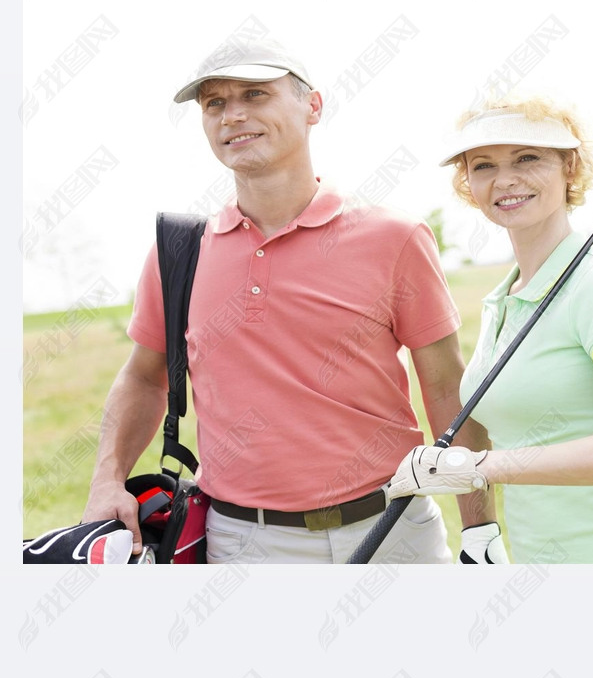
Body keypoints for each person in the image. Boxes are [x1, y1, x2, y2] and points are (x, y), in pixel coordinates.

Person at [82, 34, 505, 565]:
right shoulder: (179, 249)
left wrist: (480, 530)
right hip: (242, 544)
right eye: (215, 103)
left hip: (392, 530)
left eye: (255, 95)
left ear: (312, 106)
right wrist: (106, 480)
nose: (232, 115)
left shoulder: (394, 238)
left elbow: (446, 389)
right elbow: (143, 378)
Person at [383, 97, 593, 565]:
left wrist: (477, 468)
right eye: (484, 165)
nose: (505, 179)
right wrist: (481, 532)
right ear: (468, 183)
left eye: (527, 158)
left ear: (569, 167)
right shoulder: (505, 298)